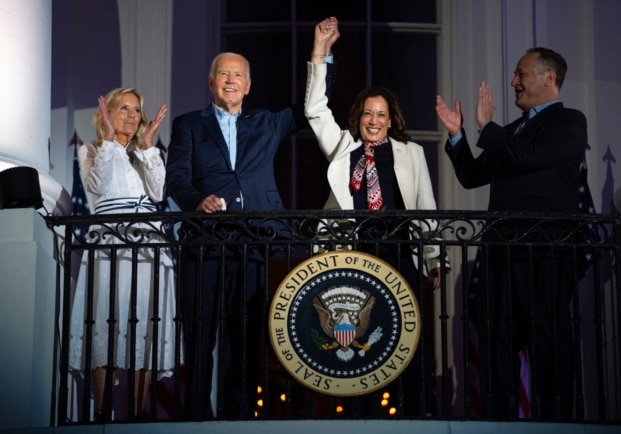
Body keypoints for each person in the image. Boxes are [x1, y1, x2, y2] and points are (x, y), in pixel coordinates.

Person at [164, 18, 338, 419]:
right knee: (201, 334)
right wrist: (197, 201)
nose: (230, 80)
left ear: (248, 85)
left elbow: (314, 105)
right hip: (205, 242)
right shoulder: (190, 124)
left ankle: (238, 418)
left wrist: (321, 54)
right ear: (211, 83)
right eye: (223, 74)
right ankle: (194, 419)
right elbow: (175, 177)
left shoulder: (266, 123)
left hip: (255, 241)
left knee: (246, 337)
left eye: (238, 75)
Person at [435, 47, 588, 419]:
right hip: (502, 255)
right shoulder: (510, 132)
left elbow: (532, 156)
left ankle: (557, 425)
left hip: (545, 253)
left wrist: (487, 129)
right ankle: (498, 425)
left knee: (547, 341)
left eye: (521, 74)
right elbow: (473, 177)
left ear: (548, 78)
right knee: (496, 346)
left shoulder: (568, 121)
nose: (513, 81)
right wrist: (458, 137)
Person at [304, 20, 445, 417]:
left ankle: (415, 413)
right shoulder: (344, 147)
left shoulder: (410, 153)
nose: (373, 120)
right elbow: (315, 111)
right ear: (359, 116)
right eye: (367, 113)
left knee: (407, 339)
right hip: (354, 252)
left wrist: (435, 258)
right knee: (359, 343)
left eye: (381, 114)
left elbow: (426, 207)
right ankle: (358, 415)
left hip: (401, 251)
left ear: (390, 118)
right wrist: (319, 53)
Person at [69, 88, 179, 421]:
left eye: (136, 110)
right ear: (108, 113)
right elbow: (98, 187)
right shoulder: (91, 150)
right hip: (109, 247)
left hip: (148, 247)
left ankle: (134, 415)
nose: (132, 115)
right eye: (124, 108)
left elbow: (159, 191)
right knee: (107, 320)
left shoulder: (145, 153)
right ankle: (103, 414)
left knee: (145, 326)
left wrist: (147, 148)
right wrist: (109, 140)